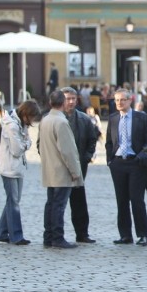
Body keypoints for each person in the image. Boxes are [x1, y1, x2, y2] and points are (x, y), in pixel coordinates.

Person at [106, 88, 147, 246]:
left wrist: (142, 157)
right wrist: (110, 160)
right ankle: (125, 235)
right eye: (117, 100)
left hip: (136, 163)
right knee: (121, 201)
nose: (120, 103)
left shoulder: (142, 118)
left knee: (137, 200)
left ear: (130, 100)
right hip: (118, 163)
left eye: (123, 100)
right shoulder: (113, 119)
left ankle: (143, 235)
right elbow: (109, 142)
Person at [38, 90, 83, 249]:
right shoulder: (62, 122)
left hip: (49, 168)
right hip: (61, 171)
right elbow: (68, 151)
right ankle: (57, 237)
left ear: (50, 103)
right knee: (58, 205)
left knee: (50, 204)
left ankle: (48, 236)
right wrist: (75, 172)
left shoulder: (45, 120)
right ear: (63, 103)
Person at [0, 99, 41, 245]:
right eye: (32, 117)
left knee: (13, 200)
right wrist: (26, 143)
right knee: (13, 202)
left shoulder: (21, 124)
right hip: (8, 167)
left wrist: (25, 142)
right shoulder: (12, 125)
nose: (32, 121)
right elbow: (17, 149)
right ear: (25, 114)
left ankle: (1, 233)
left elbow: (26, 142)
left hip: (16, 167)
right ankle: (16, 236)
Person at [59, 87, 100, 244]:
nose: (70, 102)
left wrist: (87, 157)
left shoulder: (84, 119)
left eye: (73, 99)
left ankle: (82, 233)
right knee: (57, 202)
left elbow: (92, 140)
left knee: (79, 202)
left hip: (79, 167)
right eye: (67, 98)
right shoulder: (54, 119)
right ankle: (54, 234)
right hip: (60, 168)